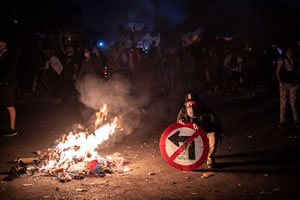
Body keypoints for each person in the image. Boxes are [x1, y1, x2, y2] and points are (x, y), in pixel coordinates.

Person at [177, 92, 222, 168]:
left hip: (204, 133)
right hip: (191, 137)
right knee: (181, 138)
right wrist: (181, 123)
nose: (191, 107)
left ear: (198, 103)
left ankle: (210, 157)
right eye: (189, 105)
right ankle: (190, 155)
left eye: (194, 104)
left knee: (213, 135)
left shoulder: (206, 110)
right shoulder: (183, 111)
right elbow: (177, 128)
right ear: (185, 104)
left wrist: (202, 126)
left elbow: (216, 125)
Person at [276, 48, 300, 128]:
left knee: (293, 104)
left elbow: (298, 72)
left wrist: (297, 83)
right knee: (283, 103)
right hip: (284, 85)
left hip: (292, 85)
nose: (289, 53)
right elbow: (277, 72)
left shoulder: (295, 61)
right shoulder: (282, 61)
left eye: (291, 51)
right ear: (285, 53)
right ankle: (282, 121)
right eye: (288, 51)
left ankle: (296, 121)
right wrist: (281, 83)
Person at [0, 40, 18, 136]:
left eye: (2, 43)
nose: (0, 45)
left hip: (9, 84)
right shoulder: (0, 55)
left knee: (9, 106)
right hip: (2, 84)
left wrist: (2, 80)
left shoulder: (10, 55)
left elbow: (11, 71)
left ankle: (12, 129)